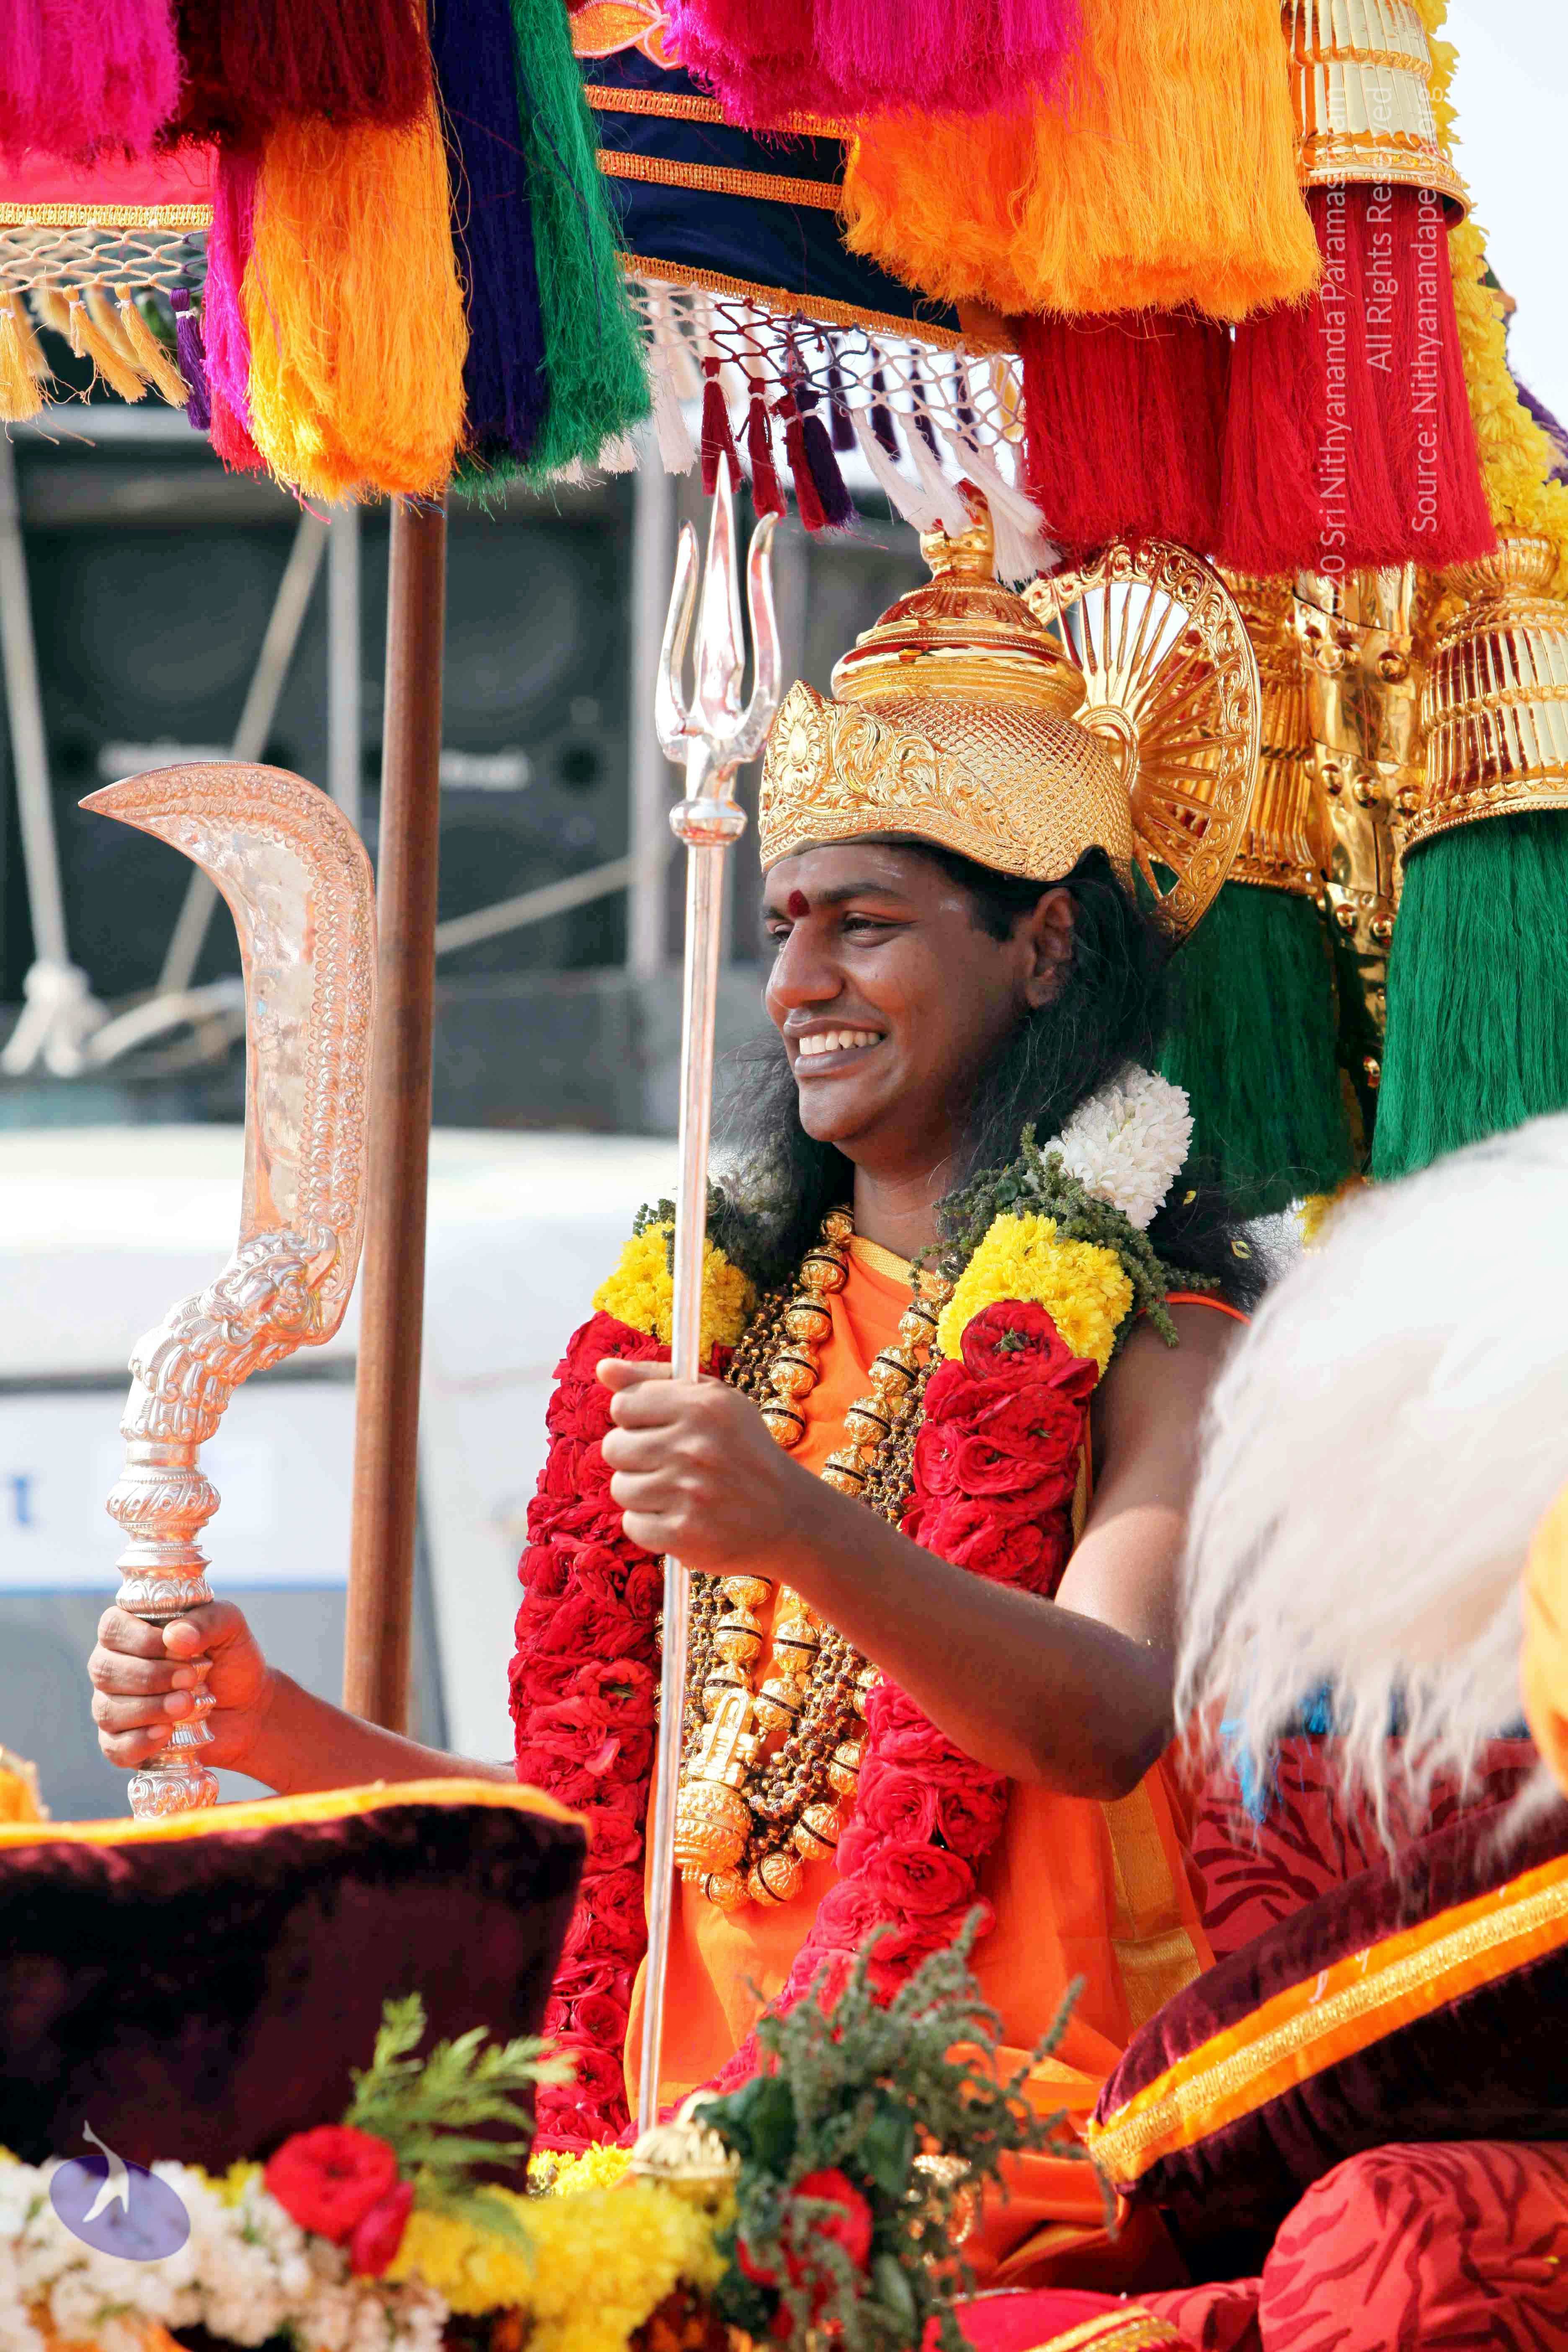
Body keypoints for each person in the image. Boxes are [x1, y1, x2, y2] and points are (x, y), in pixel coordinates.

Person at [88, 504, 1260, 2293]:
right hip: (650, 2201)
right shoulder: (714, 1337)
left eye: (866, 925)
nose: (796, 982)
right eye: (785, 924)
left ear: (1043, 948)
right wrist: (272, 1725)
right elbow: (626, 1841)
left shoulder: (1161, 1337)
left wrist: (795, 1529)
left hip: (984, 2227)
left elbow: (1107, 1716)